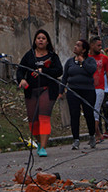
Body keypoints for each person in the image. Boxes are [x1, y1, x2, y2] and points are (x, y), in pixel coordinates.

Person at [17, 29, 63, 157]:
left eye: (43, 38)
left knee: (44, 117)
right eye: (38, 38)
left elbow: (59, 71)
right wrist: (22, 80)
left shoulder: (53, 56)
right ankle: (38, 141)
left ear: (47, 41)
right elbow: (20, 70)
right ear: (35, 41)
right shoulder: (29, 55)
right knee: (32, 121)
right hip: (31, 90)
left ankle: (43, 147)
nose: (41, 40)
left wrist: (44, 70)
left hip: (47, 89)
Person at [61, 39, 97, 150]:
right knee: (74, 115)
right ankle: (76, 139)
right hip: (73, 91)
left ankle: (92, 135)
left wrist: (83, 61)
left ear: (84, 49)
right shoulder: (70, 62)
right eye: (75, 45)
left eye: (78, 45)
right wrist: (61, 90)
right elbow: (65, 77)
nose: (75, 47)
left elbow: (92, 70)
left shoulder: (90, 60)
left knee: (88, 114)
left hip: (88, 91)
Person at [89, 37, 108, 143]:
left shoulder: (104, 58)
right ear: (92, 45)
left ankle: (94, 136)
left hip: (99, 89)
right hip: (87, 88)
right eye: (98, 45)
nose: (100, 47)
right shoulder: (86, 57)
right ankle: (97, 133)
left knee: (95, 112)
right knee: (88, 112)